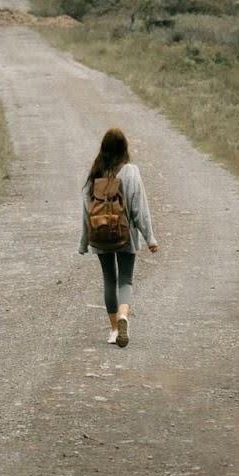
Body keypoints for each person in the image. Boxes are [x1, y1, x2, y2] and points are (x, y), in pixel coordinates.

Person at [79, 126, 158, 347]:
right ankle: (124, 315)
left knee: (109, 279)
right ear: (124, 148)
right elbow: (139, 208)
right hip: (125, 234)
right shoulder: (130, 171)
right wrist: (150, 238)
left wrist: (84, 242)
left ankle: (114, 329)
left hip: (100, 235)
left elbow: (86, 210)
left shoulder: (95, 173)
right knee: (125, 279)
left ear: (103, 149)